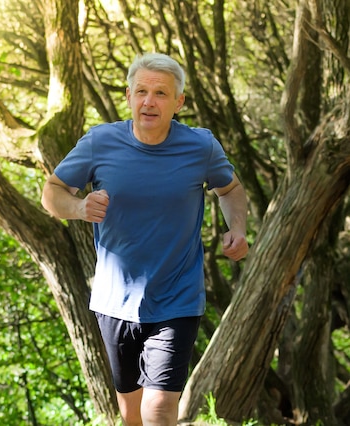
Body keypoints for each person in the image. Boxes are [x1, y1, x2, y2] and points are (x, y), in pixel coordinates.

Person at [41, 53, 249, 426]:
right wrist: (78, 207)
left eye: (160, 93)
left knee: (159, 409)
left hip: (177, 298)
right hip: (114, 300)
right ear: (128, 96)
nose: (149, 102)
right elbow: (52, 191)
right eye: (141, 92)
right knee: (131, 413)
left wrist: (238, 229)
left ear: (178, 102)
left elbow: (230, 190)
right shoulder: (99, 142)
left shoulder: (200, 147)